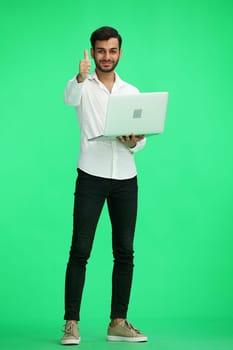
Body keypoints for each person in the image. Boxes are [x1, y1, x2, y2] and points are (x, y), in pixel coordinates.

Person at [61, 26, 148, 345]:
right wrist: (79, 76)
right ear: (92, 52)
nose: (106, 56)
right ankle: (71, 323)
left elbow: (141, 141)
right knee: (80, 249)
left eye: (112, 51)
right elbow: (68, 98)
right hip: (91, 176)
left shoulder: (132, 91)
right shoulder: (83, 87)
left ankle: (118, 322)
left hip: (126, 178)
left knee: (125, 251)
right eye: (100, 51)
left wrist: (134, 142)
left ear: (120, 53)